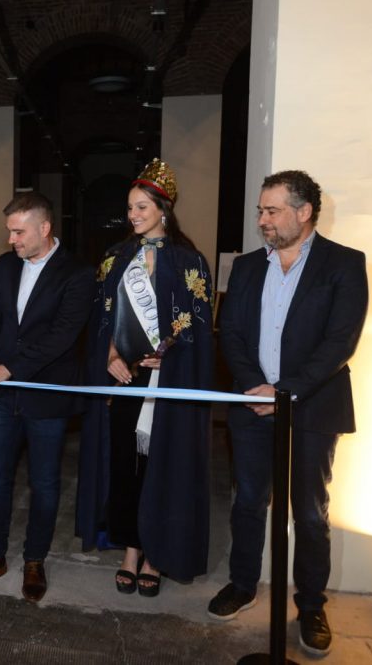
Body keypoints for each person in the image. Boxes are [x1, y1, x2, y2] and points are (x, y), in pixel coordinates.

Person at [208, 170, 368, 658]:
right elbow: (231, 332)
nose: (262, 220)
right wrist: (254, 387)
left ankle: (312, 606)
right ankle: (242, 584)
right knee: (248, 501)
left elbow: (340, 341)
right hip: (252, 403)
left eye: (272, 210)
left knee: (311, 512)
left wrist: (283, 392)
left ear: (304, 212)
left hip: (313, 407)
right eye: (261, 210)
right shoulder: (247, 266)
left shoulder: (345, 263)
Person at [76, 159, 214, 597]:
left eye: (141, 207)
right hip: (125, 380)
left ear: (163, 209)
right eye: (130, 208)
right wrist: (109, 356)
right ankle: (131, 550)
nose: (132, 215)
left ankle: (155, 553)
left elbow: (198, 325)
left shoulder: (190, 261)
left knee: (161, 466)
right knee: (126, 464)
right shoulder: (115, 258)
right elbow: (100, 318)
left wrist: (170, 354)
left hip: (167, 382)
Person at [0, 191, 95, 603]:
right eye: (9, 231)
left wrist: (9, 368)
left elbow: (61, 337)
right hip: (1, 396)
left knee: (45, 484)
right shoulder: (4, 266)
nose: (11, 240)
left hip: (46, 398)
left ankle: (35, 560)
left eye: (19, 232)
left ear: (44, 228)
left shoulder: (78, 273)